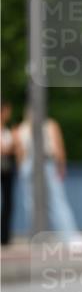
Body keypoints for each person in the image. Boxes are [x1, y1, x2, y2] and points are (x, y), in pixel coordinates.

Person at [15, 107, 82, 250]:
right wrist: (61, 166)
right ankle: (69, 236)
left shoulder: (20, 129)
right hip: (45, 162)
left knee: (31, 203)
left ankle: (37, 237)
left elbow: (20, 153)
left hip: (27, 165)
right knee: (57, 201)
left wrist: (21, 169)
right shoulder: (49, 125)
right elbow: (58, 146)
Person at [1, 99, 17, 245]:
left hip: (7, 169)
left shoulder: (8, 130)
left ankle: (4, 236)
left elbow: (14, 150)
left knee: (8, 202)